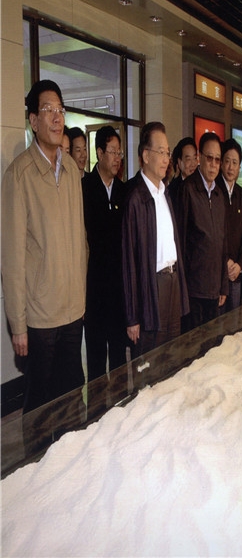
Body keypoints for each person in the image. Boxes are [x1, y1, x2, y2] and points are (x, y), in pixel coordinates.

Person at [1, 79, 87, 413]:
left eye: (60, 110)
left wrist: (80, 294)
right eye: (48, 110)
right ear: (34, 121)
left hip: (72, 310)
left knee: (72, 399)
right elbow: (12, 259)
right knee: (40, 405)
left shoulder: (72, 171)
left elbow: (80, 241)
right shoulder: (19, 175)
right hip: (40, 318)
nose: (56, 117)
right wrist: (18, 324)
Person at [121, 121, 189, 357]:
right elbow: (128, 262)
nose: (166, 159)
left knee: (172, 355)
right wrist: (132, 317)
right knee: (150, 361)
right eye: (161, 152)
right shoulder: (135, 198)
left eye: (167, 153)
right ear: (145, 155)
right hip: (151, 288)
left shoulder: (164, 193)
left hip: (172, 282)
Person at [81, 125, 128, 384]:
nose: (118, 158)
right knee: (97, 360)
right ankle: (98, 407)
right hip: (95, 291)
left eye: (120, 152)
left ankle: (122, 405)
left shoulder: (123, 191)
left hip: (119, 291)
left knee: (120, 357)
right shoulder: (84, 188)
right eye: (113, 152)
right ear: (99, 153)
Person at [180, 132, 228, 327]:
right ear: (199, 157)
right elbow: (180, 241)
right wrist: (183, 289)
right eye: (209, 158)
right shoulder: (188, 189)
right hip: (194, 290)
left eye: (217, 159)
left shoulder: (219, 195)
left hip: (214, 290)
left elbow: (223, 243)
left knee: (213, 341)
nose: (214, 164)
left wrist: (223, 286)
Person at [216, 138, 242, 313]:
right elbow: (214, 235)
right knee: (218, 322)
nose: (231, 167)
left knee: (234, 321)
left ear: (239, 167)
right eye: (227, 161)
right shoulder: (214, 191)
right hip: (218, 273)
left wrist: (240, 264)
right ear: (222, 164)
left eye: (235, 163)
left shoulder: (241, 195)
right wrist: (226, 261)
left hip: (237, 271)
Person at [168, 136, 198, 218]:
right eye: (188, 159)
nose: (193, 164)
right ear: (180, 162)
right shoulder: (173, 190)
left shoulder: (202, 185)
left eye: (195, 158)